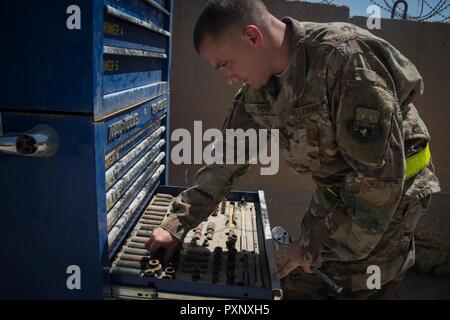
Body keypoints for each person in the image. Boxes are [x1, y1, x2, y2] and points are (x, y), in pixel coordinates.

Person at [146, 0, 440, 299]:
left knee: (354, 285)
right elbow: (226, 162)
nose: (228, 78)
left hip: (393, 196)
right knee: (299, 279)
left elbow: (378, 183)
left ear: (252, 36)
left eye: (225, 64)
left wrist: (310, 247)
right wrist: (177, 224)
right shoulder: (256, 92)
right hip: (339, 192)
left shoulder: (347, 63)